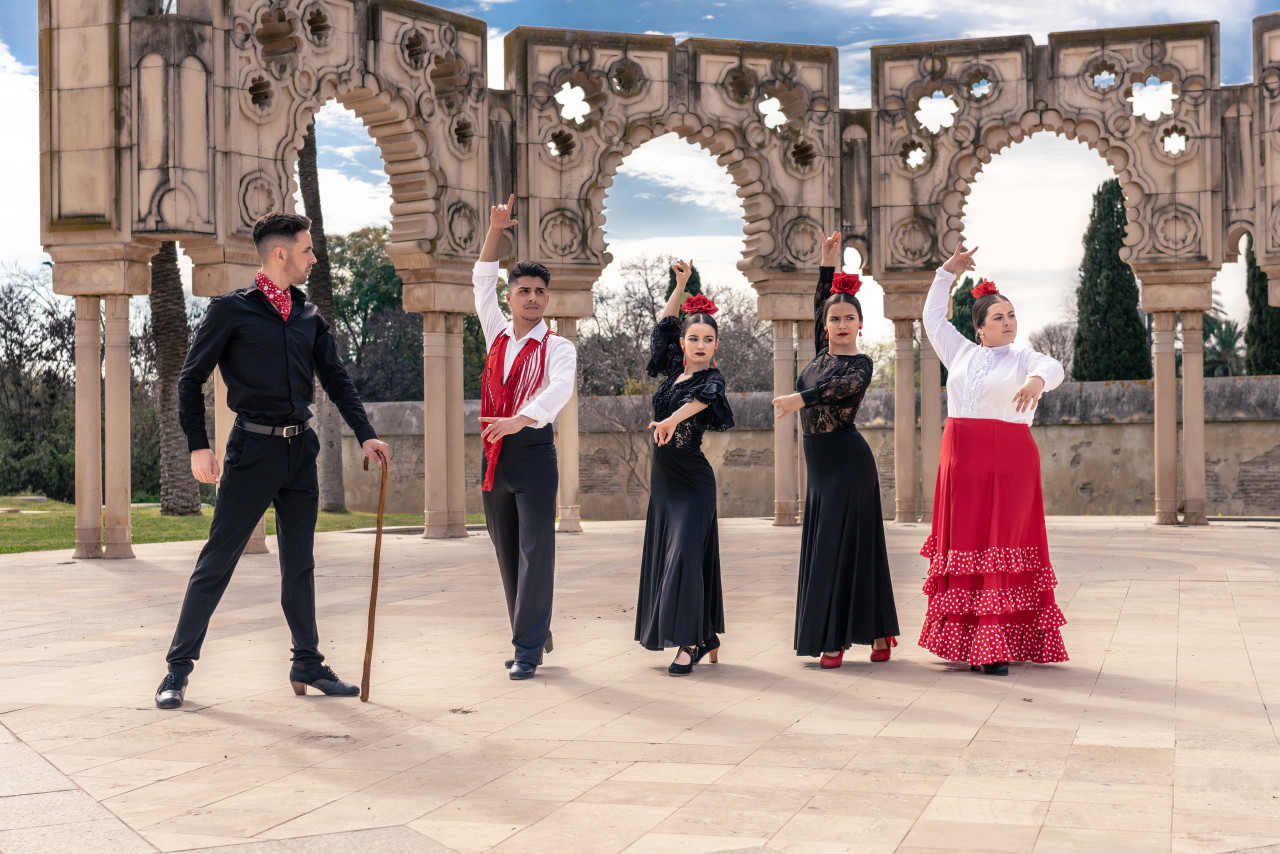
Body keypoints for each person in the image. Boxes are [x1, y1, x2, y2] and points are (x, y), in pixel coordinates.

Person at [155, 212, 392, 710]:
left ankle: (307, 660)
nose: (313, 258)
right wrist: (200, 444)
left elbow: (337, 379)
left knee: (300, 562)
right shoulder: (230, 311)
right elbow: (189, 379)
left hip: (299, 453)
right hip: (251, 453)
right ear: (280, 253)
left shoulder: (309, 316)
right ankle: (177, 670)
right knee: (217, 561)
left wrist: (366, 434)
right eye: (307, 250)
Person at [918, 242, 1068, 676]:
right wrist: (946, 272)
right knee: (967, 543)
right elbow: (931, 318)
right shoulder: (960, 352)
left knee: (1003, 543)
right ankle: (968, 640)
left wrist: (1037, 382)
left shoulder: (1024, 358)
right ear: (979, 327)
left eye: (1012, 315)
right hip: (962, 458)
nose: (1008, 322)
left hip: (1010, 459)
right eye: (999, 317)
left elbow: (1054, 367)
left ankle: (997, 645)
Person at [772, 230, 899, 668]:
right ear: (825, 327)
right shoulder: (819, 351)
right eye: (835, 319)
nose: (841, 324)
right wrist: (828, 264)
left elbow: (836, 389)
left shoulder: (859, 365)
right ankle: (878, 633)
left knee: (845, 549)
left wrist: (796, 399)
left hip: (848, 465)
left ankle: (836, 639)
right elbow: (820, 301)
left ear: (860, 326)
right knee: (839, 547)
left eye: (849, 319)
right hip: (821, 469)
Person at [474, 194, 577, 680]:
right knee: (506, 551)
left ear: (546, 299)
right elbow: (480, 282)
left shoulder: (559, 346)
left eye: (539, 291)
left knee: (537, 551)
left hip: (534, 453)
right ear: (510, 296)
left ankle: (528, 649)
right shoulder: (496, 332)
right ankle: (532, 632)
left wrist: (521, 418)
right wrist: (496, 229)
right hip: (496, 456)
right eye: (523, 290)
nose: (532, 297)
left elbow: (560, 389)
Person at [635, 260, 734, 675]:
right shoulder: (672, 373)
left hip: (693, 483)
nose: (699, 344)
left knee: (685, 555)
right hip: (664, 484)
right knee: (670, 555)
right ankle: (705, 634)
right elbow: (664, 325)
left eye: (707, 339)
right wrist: (680, 285)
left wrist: (672, 420)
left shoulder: (710, 380)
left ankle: (690, 642)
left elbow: (704, 403)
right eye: (692, 338)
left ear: (715, 346)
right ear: (684, 342)